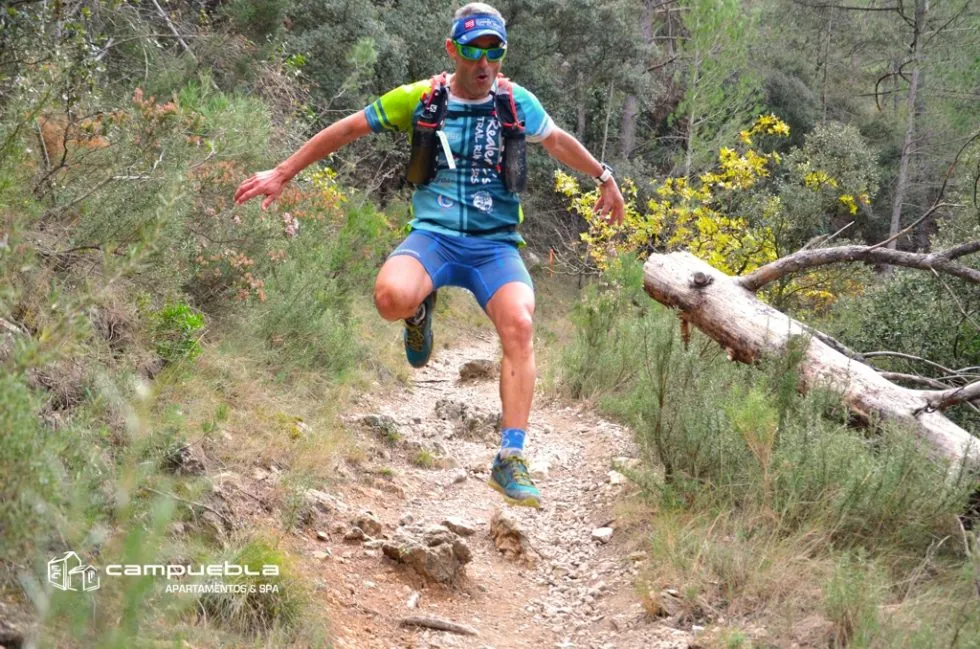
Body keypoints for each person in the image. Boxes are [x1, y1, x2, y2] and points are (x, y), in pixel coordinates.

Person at [234, 2, 625, 508]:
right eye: (473, 50)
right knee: (389, 297)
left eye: (494, 51)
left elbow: (556, 141)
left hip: (495, 246)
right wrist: (283, 172)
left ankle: (510, 458)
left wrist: (604, 175)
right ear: (451, 50)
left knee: (520, 325)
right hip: (434, 236)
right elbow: (350, 128)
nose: (484, 64)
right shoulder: (421, 99)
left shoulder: (515, 101)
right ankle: (419, 311)